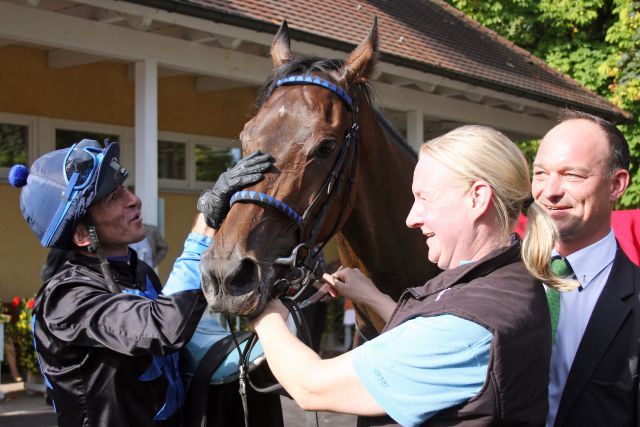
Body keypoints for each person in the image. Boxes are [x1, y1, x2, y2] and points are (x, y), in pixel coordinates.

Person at [250, 125, 573, 426]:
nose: (411, 218)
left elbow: (311, 387)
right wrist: (373, 297)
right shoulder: (504, 278)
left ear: (477, 198)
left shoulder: (469, 327)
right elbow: (433, 335)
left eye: (423, 198)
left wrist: (267, 316)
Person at [8, 139, 272, 426]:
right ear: (83, 235)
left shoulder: (140, 271)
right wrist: (206, 221)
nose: (133, 199)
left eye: (123, 187)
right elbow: (164, 327)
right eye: (112, 197)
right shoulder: (66, 298)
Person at [532, 110, 640, 427]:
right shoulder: (498, 277)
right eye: (540, 173)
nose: (549, 191)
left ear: (617, 185)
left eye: (572, 175)